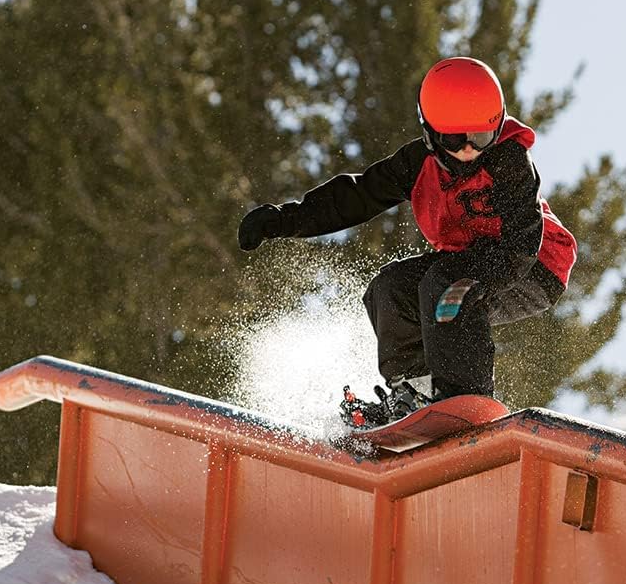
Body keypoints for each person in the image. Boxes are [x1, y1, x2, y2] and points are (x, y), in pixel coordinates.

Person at [237, 56, 578, 425]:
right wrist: (284, 220)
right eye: (455, 139)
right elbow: (357, 196)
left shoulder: (508, 159)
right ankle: (415, 392)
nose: (469, 150)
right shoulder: (416, 165)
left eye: (481, 137)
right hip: (467, 262)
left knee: (445, 286)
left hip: (532, 263)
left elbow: (521, 242)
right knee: (391, 288)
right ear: (431, 134)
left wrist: (467, 283)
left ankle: (464, 395)